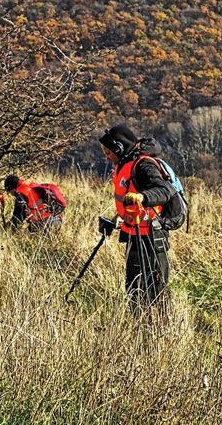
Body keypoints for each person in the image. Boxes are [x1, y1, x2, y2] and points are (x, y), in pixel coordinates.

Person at [97, 124, 175, 311]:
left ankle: (159, 327)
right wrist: (118, 218)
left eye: (108, 153)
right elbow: (128, 199)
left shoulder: (143, 164)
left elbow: (164, 191)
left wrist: (143, 197)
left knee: (153, 286)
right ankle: (138, 324)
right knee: (134, 285)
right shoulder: (123, 165)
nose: (106, 157)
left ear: (119, 148)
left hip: (150, 234)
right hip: (133, 232)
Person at [0, 174, 65, 232]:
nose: (12, 195)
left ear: (12, 189)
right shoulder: (29, 185)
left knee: (29, 230)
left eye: (10, 193)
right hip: (57, 218)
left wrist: (6, 228)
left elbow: (18, 219)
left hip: (44, 222)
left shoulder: (21, 194)